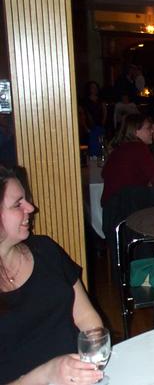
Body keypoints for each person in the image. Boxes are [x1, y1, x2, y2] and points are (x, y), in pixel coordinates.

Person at [0, 165, 104, 385]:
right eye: (18, 204)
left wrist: (93, 363)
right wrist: (49, 373)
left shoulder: (45, 250)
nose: (31, 207)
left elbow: (87, 318)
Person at [101, 114, 154, 206]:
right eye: (148, 128)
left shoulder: (119, 149)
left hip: (111, 207)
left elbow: (104, 173)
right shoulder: (138, 148)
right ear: (135, 131)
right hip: (127, 207)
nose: (152, 131)